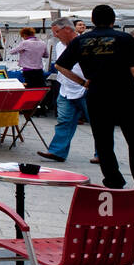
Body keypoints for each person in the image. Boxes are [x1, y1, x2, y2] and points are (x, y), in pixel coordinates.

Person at [54, 4, 134, 192]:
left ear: (92, 21)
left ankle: (113, 179)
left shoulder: (81, 40)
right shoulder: (124, 38)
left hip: (97, 93)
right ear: (113, 20)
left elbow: (60, 66)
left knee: (103, 139)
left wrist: (83, 82)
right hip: (124, 92)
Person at [39, 17, 88, 163]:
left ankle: (102, 154)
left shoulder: (84, 43)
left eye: (57, 32)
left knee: (99, 124)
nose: (55, 35)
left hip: (84, 88)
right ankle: (57, 151)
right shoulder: (60, 45)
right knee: (64, 121)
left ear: (67, 29)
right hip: (66, 88)